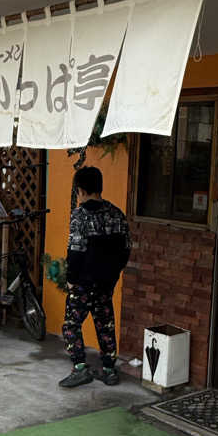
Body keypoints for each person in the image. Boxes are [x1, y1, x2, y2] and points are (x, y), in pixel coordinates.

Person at [59, 165, 131, 388]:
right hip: (106, 282)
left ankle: (80, 368)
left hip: (83, 281)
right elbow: (126, 249)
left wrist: (71, 279)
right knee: (105, 324)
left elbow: (75, 251)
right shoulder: (117, 214)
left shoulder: (80, 216)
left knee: (71, 325)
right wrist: (114, 273)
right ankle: (109, 370)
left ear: (80, 190)